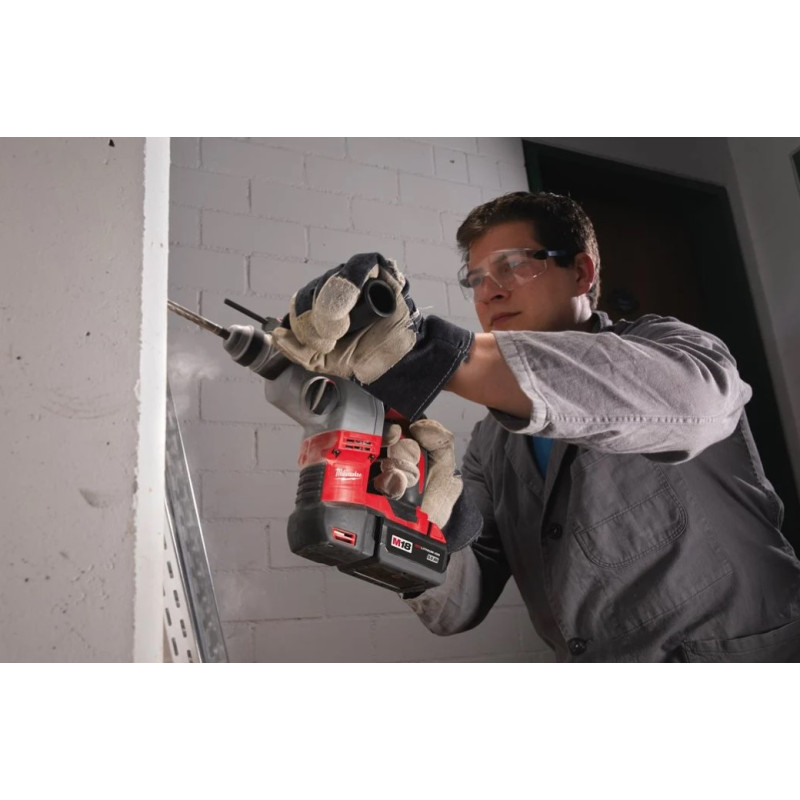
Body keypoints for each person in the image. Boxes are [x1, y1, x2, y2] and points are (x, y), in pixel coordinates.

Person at [272, 191, 800, 662]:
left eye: (514, 266)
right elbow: (456, 607)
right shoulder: (491, 442)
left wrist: (425, 353)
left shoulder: (676, 349)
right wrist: (420, 516)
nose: (489, 292)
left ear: (582, 273)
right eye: (476, 279)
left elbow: (689, 403)